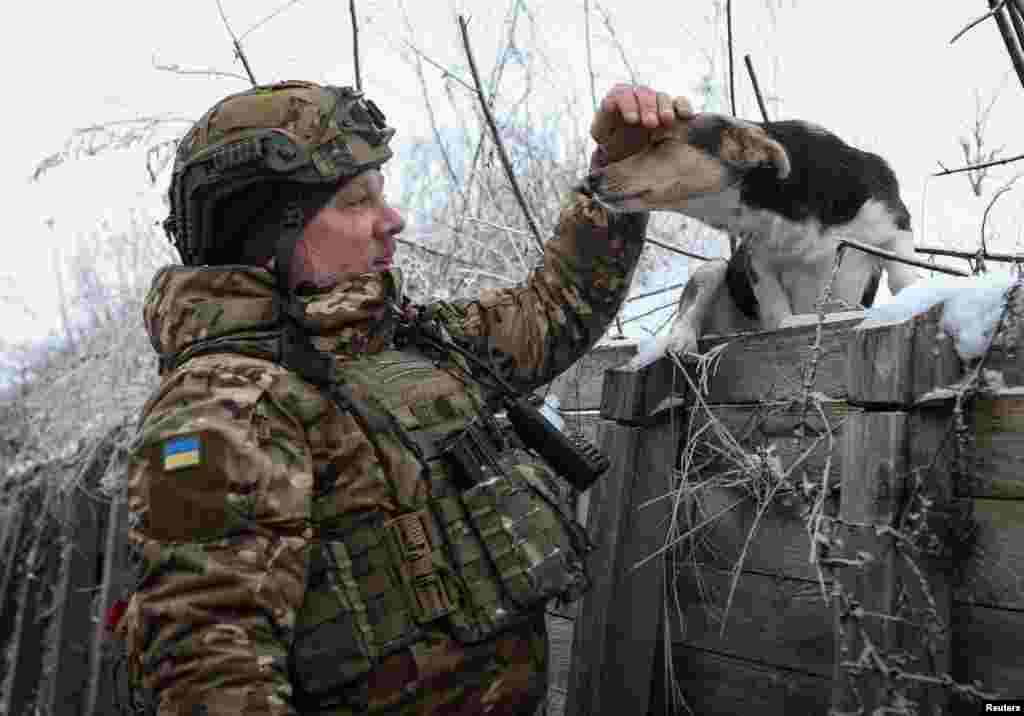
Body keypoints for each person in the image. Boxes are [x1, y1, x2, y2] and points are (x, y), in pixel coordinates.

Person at [114, 79, 694, 715]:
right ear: (272, 231)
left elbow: (553, 311)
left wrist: (619, 175)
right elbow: (213, 677)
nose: (392, 220)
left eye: (382, 195)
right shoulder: (225, 404)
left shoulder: (405, 340)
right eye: (357, 201)